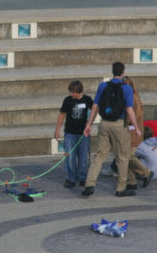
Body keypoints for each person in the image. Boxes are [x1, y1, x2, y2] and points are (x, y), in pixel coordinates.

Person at [81, 62, 141, 197]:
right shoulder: (127, 88)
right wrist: (136, 128)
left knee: (99, 156)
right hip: (119, 125)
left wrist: (89, 125)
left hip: (104, 124)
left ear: (112, 71)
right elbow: (129, 110)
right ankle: (121, 188)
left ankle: (89, 185)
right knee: (122, 157)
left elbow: (95, 107)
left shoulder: (103, 86)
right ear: (123, 72)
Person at [54, 81, 93, 188]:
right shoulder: (67, 100)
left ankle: (83, 178)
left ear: (79, 91)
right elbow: (62, 115)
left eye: (73, 92)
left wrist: (89, 122)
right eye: (70, 92)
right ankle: (71, 178)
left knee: (83, 157)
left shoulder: (87, 100)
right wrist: (57, 129)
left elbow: (94, 111)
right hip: (70, 133)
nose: (71, 94)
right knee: (70, 156)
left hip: (83, 134)